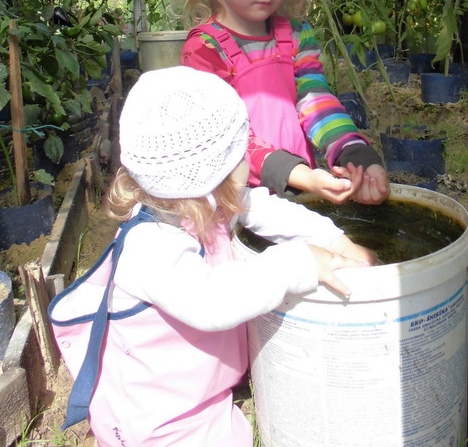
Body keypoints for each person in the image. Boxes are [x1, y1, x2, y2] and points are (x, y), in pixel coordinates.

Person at [50, 66, 377, 446]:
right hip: (158, 411)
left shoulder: (206, 200)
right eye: (242, 155)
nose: (249, 162)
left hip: (196, 388)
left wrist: (336, 241)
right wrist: (300, 262)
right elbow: (212, 301)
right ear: (213, 174)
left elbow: (267, 210)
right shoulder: (150, 247)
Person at [176, 0, 389, 206]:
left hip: (298, 191)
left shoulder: (296, 34)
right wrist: (295, 172)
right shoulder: (205, 49)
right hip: (236, 202)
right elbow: (222, 137)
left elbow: (314, 98)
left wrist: (353, 151)